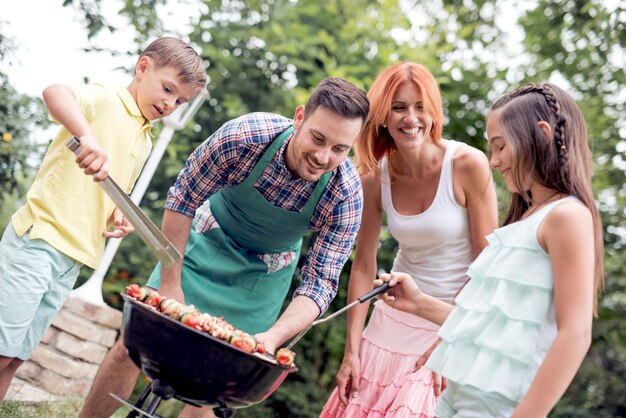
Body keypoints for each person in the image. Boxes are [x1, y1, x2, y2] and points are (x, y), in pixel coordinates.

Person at [79, 76, 370, 418]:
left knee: (214, 384)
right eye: (318, 138)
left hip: (265, 275)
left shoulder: (345, 195)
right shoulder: (246, 137)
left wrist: (273, 337)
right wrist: (171, 285)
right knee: (135, 345)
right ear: (300, 117)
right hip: (205, 240)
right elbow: (183, 198)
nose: (323, 157)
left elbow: (320, 283)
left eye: (340, 149)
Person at [374, 82, 605, 418]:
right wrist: (419, 303)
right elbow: (486, 325)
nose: (494, 162)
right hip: (456, 395)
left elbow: (575, 334)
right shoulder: (523, 221)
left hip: (495, 407)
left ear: (541, 134)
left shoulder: (567, 216)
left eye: (500, 147)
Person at [0, 37, 207, 402]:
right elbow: (55, 92)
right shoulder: (109, 100)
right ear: (143, 68)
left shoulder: (144, 138)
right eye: (167, 89)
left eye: (179, 101)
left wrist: (119, 217)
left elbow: (111, 190)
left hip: (73, 258)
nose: (169, 104)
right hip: (41, 238)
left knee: (14, 358)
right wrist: (87, 136)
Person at [320, 62, 498, 417]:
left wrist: (451, 337)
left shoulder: (467, 164)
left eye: (420, 107)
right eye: (399, 107)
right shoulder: (373, 175)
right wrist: (352, 350)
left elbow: (488, 267)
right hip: (392, 315)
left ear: (434, 112)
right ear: (383, 116)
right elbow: (364, 266)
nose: (410, 118)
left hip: (450, 317)